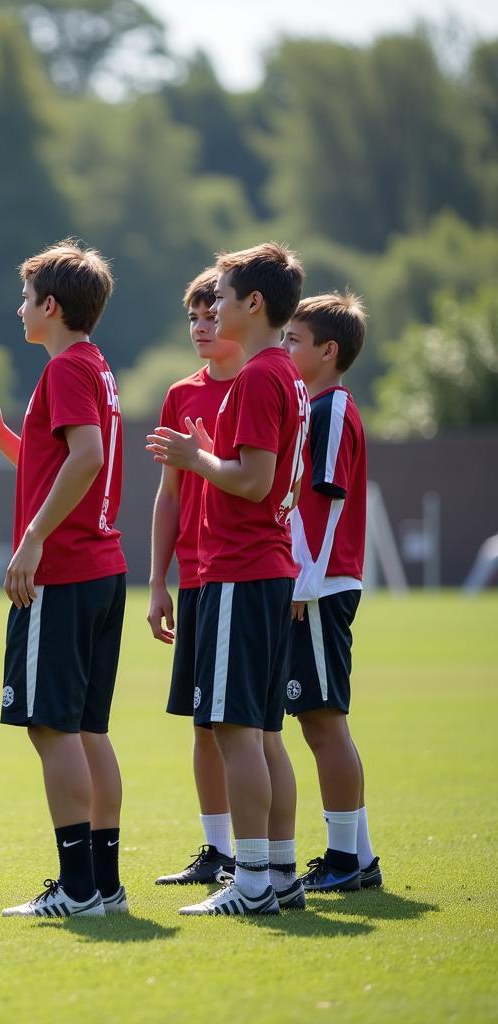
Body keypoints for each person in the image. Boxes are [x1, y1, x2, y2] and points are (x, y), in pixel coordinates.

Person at [0, 239, 128, 919]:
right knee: (88, 730)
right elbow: (60, 460)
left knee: (51, 729)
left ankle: (78, 889)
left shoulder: (64, 369)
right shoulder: (93, 364)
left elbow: (84, 458)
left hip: (62, 573)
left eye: (27, 297)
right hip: (103, 570)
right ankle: (106, 884)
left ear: (50, 306)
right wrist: (6, 435)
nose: (19, 308)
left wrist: (32, 539)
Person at [147, 242, 309, 916]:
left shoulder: (258, 377)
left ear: (254, 304)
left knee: (235, 730)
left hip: (240, 572)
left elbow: (251, 479)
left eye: (224, 294)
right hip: (260, 570)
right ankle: (277, 873)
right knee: (262, 731)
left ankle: (248, 883)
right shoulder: (283, 372)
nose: (211, 306)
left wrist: (197, 454)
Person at [149, 267, 245, 886]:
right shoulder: (182, 394)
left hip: (250, 575)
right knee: (204, 720)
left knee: (251, 724)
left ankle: (264, 857)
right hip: (200, 581)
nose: (202, 327)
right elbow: (170, 495)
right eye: (194, 318)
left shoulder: (268, 384)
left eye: (212, 315)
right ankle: (218, 850)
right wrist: (159, 581)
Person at [283, 292, 381, 892]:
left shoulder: (332, 410)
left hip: (320, 586)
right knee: (316, 720)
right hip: (312, 583)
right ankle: (358, 856)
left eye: (294, 339)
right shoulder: (311, 407)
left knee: (324, 722)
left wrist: (303, 581)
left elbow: (324, 504)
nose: (285, 348)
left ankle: (346, 861)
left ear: (328, 350)